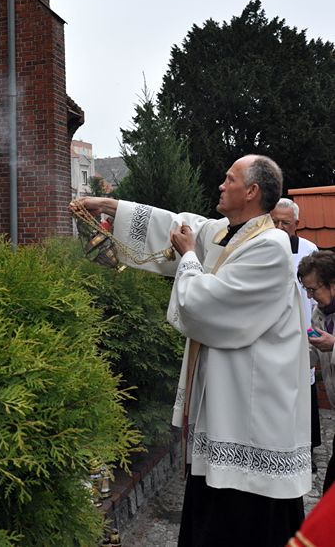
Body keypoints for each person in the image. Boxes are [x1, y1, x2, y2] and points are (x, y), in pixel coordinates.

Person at [72, 154, 311, 547]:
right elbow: (182, 226)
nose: (221, 185)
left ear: (251, 191)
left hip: (253, 411)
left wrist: (187, 257)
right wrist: (109, 206)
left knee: (246, 519)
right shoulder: (230, 233)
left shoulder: (270, 246)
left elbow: (207, 304)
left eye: (229, 179)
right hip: (228, 403)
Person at [271, 198, 321, 470]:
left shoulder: (309, 251)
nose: (280, 227)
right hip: (272, 335)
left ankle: (307, 452)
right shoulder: (263, 246)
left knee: (304, 395)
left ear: (297, 224)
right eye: (275, 221)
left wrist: (314, 328)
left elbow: (316, 299)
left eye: (285, 223)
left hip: (302, 333)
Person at [297, 250, 335, 493]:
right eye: (307, 290)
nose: (310, 296)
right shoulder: (319, 314)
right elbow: (312, 354)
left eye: (314, 289)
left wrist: (334, 345)